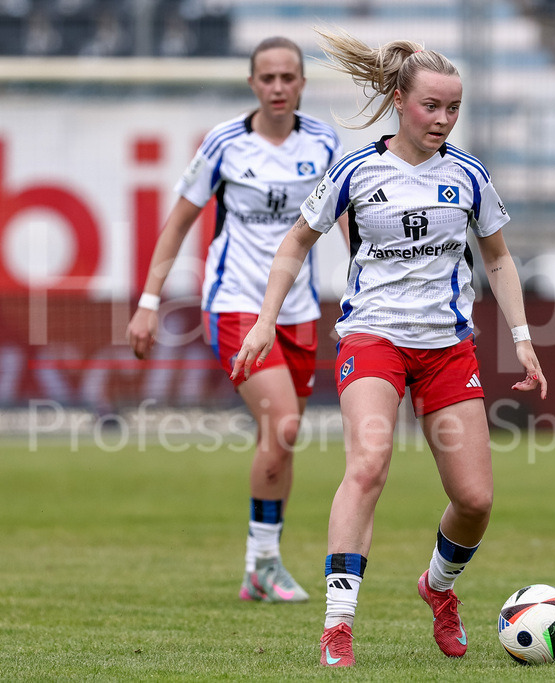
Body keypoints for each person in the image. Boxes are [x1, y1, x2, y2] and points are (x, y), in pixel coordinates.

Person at [230, 28, 548, 667]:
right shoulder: (355, 171)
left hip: (446, 347)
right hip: (372, 338)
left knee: (475, 501)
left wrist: (523, 339)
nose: (444, 119)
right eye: (433, 106)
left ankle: (438, 587)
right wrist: (265, 320)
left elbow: (500, 260)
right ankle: (338, 626)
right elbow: (295, 243)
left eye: (454, 108)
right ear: (400, 100)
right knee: (368, 465)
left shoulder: (468, 175)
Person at [127, 36, 346, 604]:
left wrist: (360, 281)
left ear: (302, 84)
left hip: (298, 309)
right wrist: (150, 302)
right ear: (252, 83)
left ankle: (262, 567)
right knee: (285, 428)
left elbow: (343, 216)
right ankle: (262, 565)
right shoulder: (224, 143)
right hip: (234, 303)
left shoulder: (324, 141)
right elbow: (177, 223)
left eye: (288, 78)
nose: (278, 87)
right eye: (267, 78)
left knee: (281, 439)